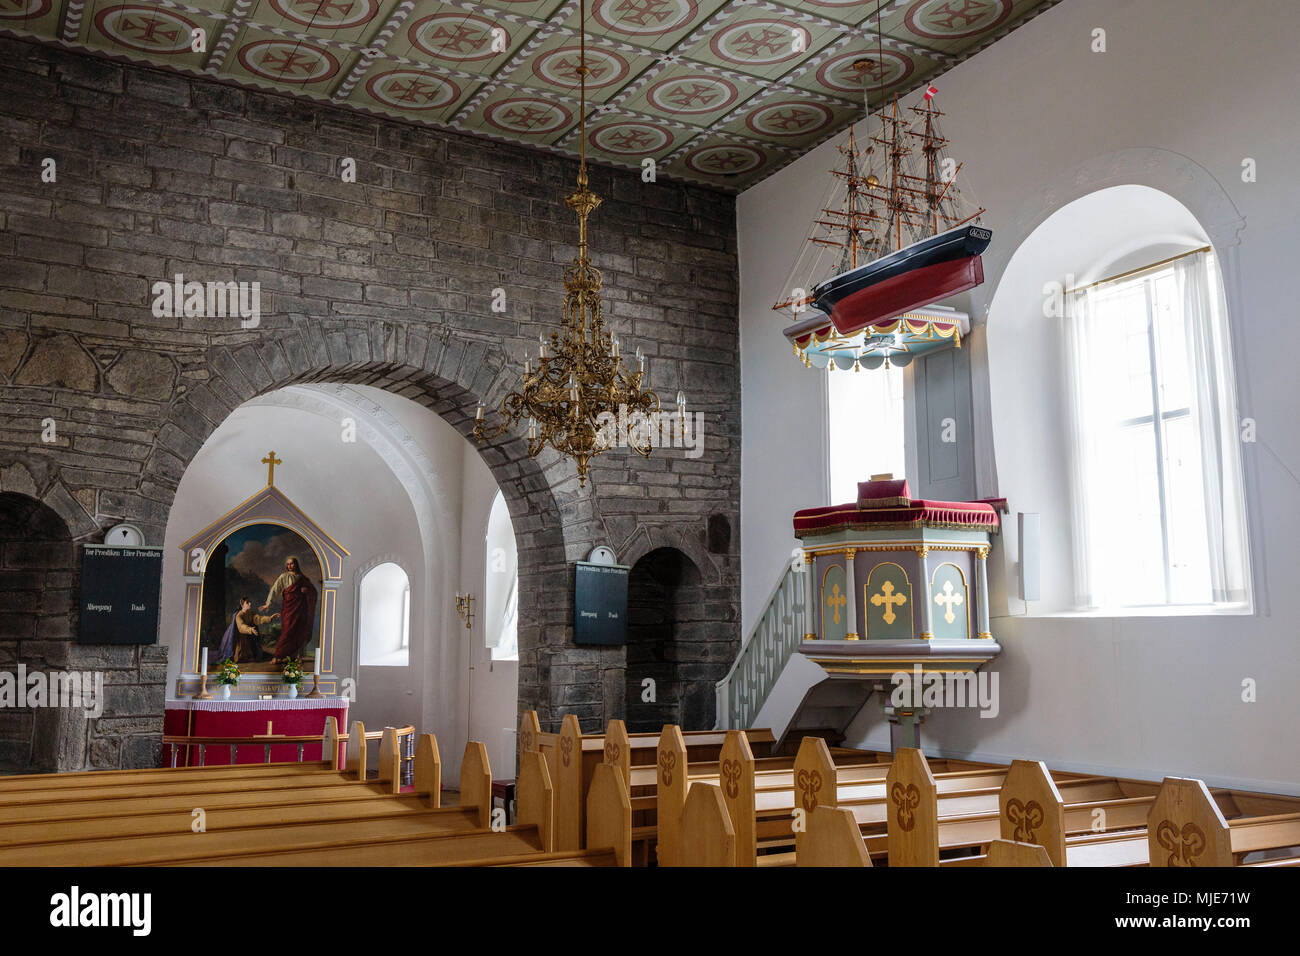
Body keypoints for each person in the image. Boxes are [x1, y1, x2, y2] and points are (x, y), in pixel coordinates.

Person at [260, 556, 318, 663]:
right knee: (287, 631)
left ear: (296, 564)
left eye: (291, 563)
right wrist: (268, 603)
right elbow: (275, 589)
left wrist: (307, 591)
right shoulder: (284, 576)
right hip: (289, 608)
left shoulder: (303, 578)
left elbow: (313, 591)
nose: (289, 566)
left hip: (301, 608)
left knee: (299, 631)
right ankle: (278, 656)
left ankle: (295, 656)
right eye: (288, 564)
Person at [216, 597, 277, 664]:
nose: (250, 604)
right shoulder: (238, 615)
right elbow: (241, 627)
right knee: (240, 656)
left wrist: (270, 618)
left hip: (249, 636)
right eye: (247, 602)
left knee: (254, 653)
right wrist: (250, 629)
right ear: (242, 605)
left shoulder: (251, 613)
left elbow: (259, 619)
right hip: (240, 637)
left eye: (249, 602)